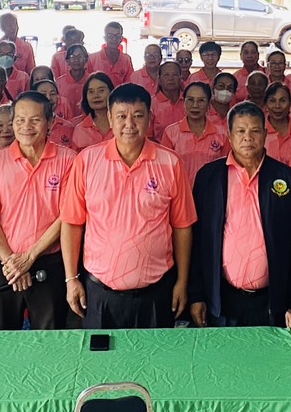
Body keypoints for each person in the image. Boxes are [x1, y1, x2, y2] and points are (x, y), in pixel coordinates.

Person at [61, 83, 196, 329]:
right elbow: (71, 223)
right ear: (110, 118)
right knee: (103, 355)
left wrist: (182, 282)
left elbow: (182, 227)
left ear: (150, 118)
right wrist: (71, 279)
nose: (129, 124)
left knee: (156, 354)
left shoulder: (171, 163)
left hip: (157, 292)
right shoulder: (87, 161)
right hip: (99, 292)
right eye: (122, 116)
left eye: (138, 116)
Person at [188, 102, 291, 332]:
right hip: (222, 300)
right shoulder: (209, 178)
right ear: (229, 135)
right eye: (241, 131)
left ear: (265, 134)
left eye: (255, 130)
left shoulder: (288, 179)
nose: (248, 137)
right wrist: (196, 295)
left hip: (273, 302)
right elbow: (197, 242)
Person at [0, 92, 75, 331]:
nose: (26, 127)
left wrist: (30, 257)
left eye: (35, 120)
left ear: (50, 122)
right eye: (20, 120)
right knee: (1, 340)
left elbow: (66, 216)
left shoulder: (69, 160)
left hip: (49, 263)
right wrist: (13, 262)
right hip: (5, 264)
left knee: (49, 339)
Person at [163, 81, 229, 183]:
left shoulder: (222, 133)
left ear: (209, 104)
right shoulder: (171, 132)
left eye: (201, 100)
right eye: (190, 100)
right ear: (184, 102)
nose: (195, 105)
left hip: (211, 190)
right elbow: (165, 168)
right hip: (180, 189)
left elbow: (226, 168)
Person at [67, 73, 116, 150]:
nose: (96, 96)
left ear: (111, 92)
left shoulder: (122, 124)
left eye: (101, 90)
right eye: (91, 92)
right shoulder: (80, 130)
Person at [263, 82, 291, 160]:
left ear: (290, 103)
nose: (277, 106)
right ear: (265, 104)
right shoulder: (259, 132)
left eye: (282, 101)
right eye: (272, 101)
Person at [148, 60, 187, 138]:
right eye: (166, 75)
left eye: (175, 75)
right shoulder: (151, 104)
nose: (171, 78)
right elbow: (148, 136)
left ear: (180, 78)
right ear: (159, 80)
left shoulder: (189, 101)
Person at [53, 44, 91, 112]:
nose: (76, 60)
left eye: (80, 56)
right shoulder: (59, 83)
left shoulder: (92, 80)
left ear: (86, 59)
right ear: (67, 61)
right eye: (72, 57)